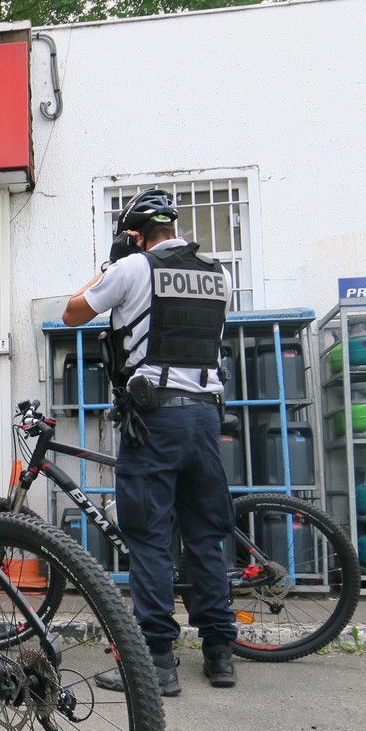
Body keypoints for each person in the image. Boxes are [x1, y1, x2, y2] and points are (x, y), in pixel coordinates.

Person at [62, 188, 237, 695]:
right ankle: (220, 655)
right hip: (206, 419)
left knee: (151, 540)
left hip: (154, 422)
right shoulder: (216, 274)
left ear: (136, 234)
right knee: (205, 537)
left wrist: (112, 265)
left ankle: (158, 662)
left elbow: (75, 312)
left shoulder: (133, 268)